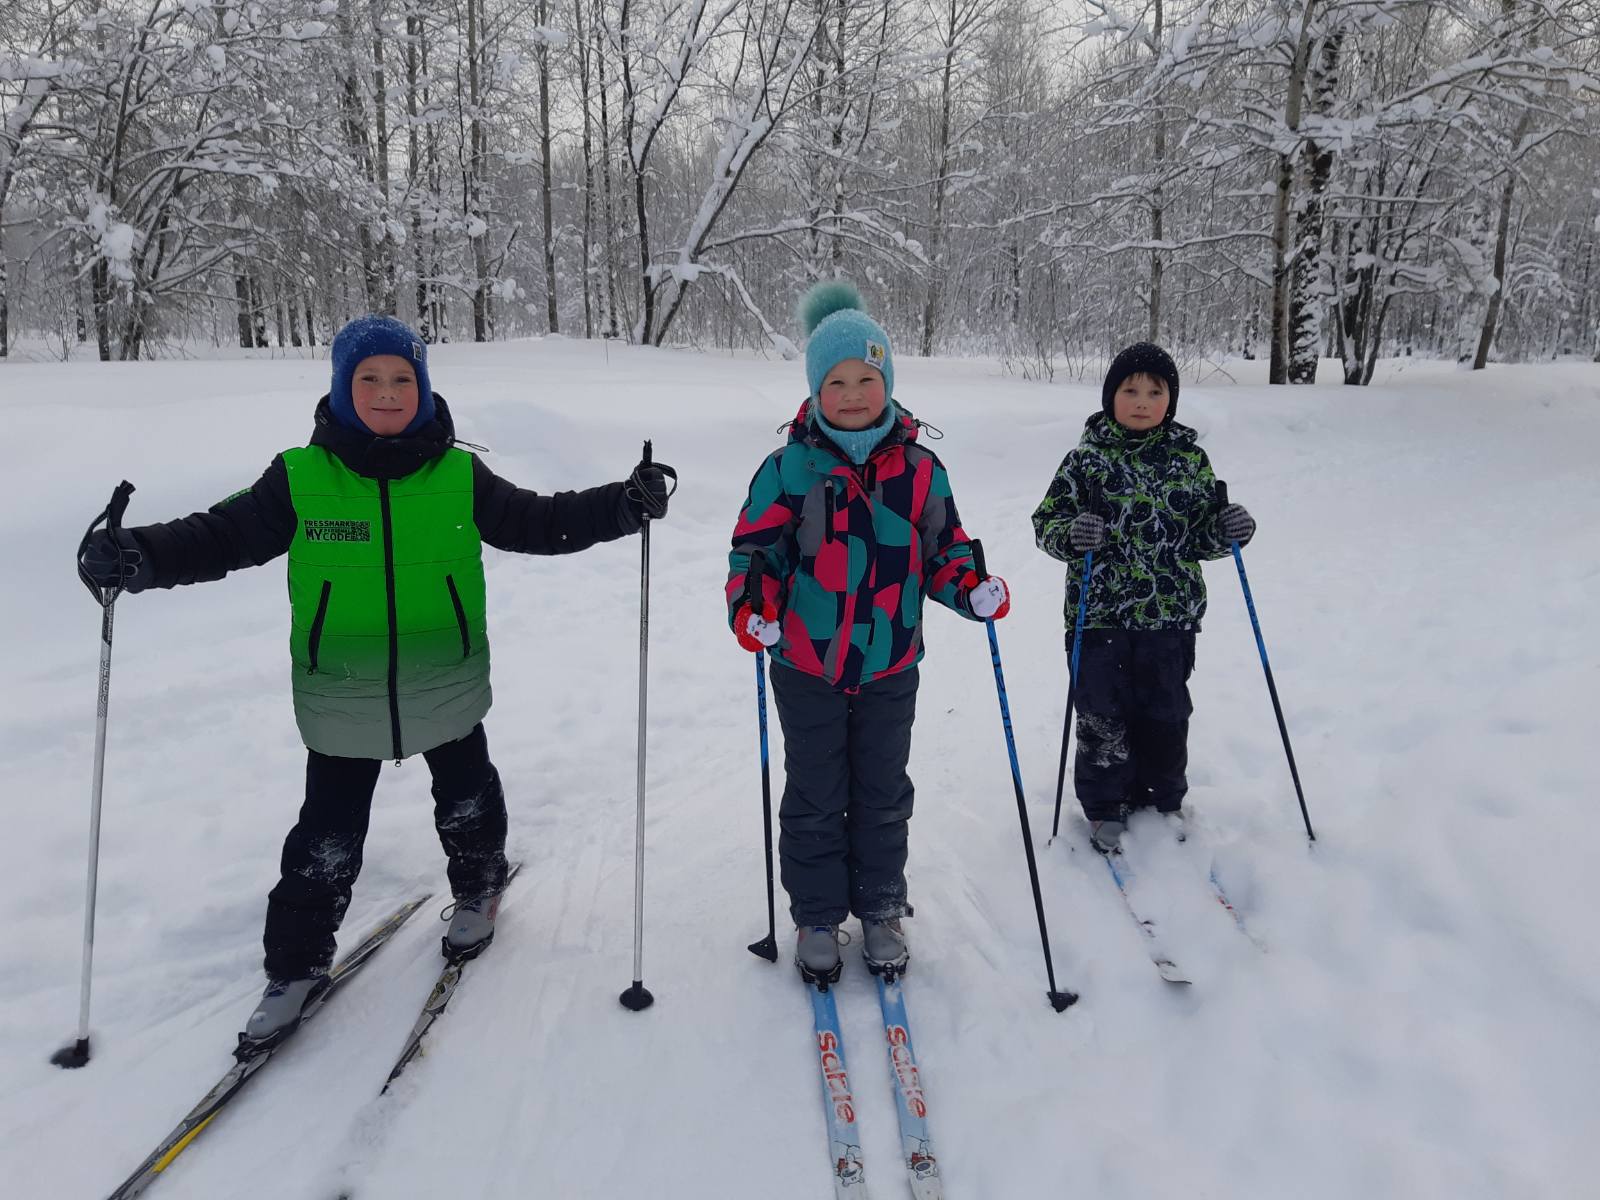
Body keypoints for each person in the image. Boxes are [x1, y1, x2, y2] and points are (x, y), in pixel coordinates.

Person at [76, 314, 674, 1044]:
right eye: (370, 379)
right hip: (341, 694)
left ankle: (480, 889)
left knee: (468, 800)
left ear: (423, 389)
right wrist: (136, 556)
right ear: (341, 387)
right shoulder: (300, 478)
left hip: (445, 682)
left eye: (402, 379)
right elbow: (222, 535)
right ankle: (295, 966)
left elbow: (536, 521)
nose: (387, 392)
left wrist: (622, 504)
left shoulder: (458, 475)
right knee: (325, 837)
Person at [725, 281, 1010, 983]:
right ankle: (817, 913)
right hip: (806, 664)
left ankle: (881, 905)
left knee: (883, 790)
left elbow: (944, 551)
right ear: (815, 389)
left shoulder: (919, 471)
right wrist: (751, 605)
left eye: (867, 379)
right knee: (817, 790)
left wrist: (970, 590)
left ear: (888, 383)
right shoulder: (789, 468)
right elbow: (755, 553)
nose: (853, 394)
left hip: (889, 664)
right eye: (837, 381)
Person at [1030, 342, 1255, 853]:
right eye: (1130, 390)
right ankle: (1106, 804)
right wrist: (1073, 534)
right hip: (1099, 616)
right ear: (1111, 396)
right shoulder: (1084, 461)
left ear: (1169, 401)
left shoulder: (1190, 461)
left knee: (1167, 711)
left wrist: (1226, 531)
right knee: (1101, 714)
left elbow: (1200, 534)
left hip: (1169, 615)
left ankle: (1162, 797)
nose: (1141, 400)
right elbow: (1046, 525)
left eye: (1155, 392)